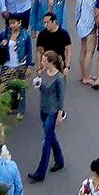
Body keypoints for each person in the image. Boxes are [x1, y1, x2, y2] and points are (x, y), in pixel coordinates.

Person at [28, 50, 67, 182]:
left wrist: (60, 114)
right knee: (51, 137)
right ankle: (60, 160)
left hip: (52, 111)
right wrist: (37, 84)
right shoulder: (43, 73)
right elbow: (42, 88)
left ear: (51, 62)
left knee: (46, 141)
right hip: (43, 109)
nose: (42, 62)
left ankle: (40, 172)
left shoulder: (59, 78)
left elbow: (61, 98)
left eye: (44, 60)